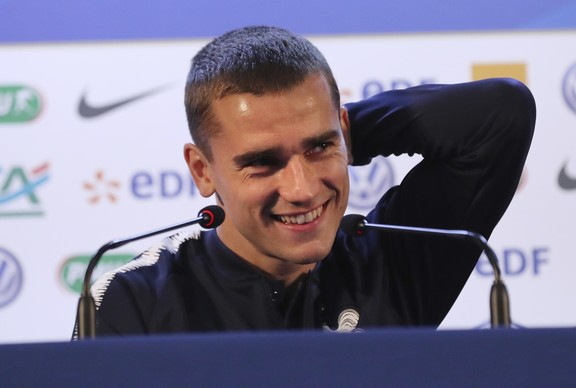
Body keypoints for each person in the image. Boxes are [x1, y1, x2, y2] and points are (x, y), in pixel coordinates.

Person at [82, 26, 535, 336]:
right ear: (203, 170)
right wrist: (322, 138)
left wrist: (344, 135)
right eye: (263, 161)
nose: (301, 189)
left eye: (318, 148)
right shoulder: (134, 301)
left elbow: (499, 115)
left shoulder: (392, 263)